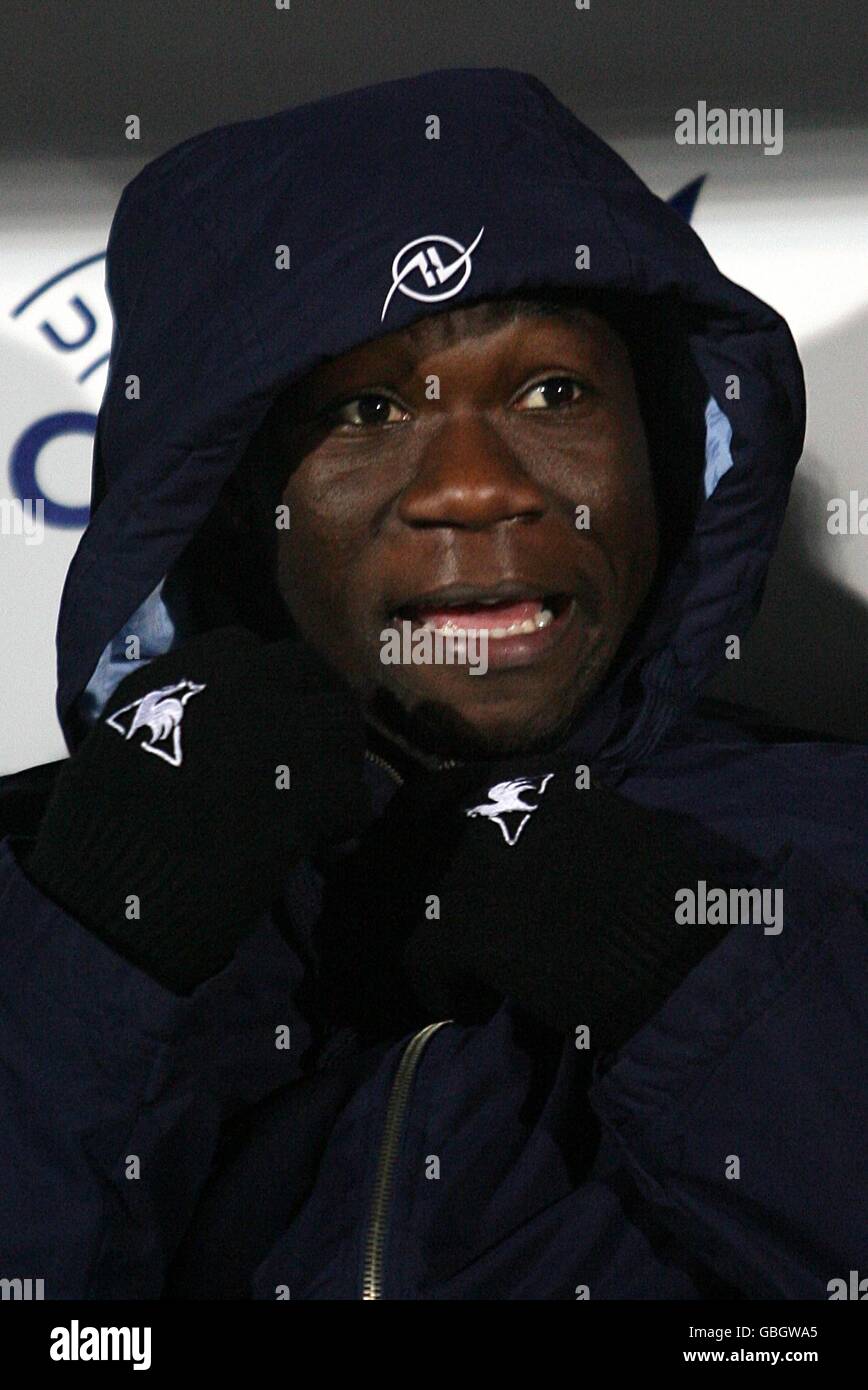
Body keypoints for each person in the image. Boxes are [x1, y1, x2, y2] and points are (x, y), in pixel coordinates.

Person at [0, 67, 865, 1302]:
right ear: (240, 503)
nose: (473, 484)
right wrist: (92, 949)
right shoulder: (50, 885)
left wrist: (700, 988)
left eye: (552, 392)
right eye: (364, 409)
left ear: (664, 445)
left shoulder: (832, 847)